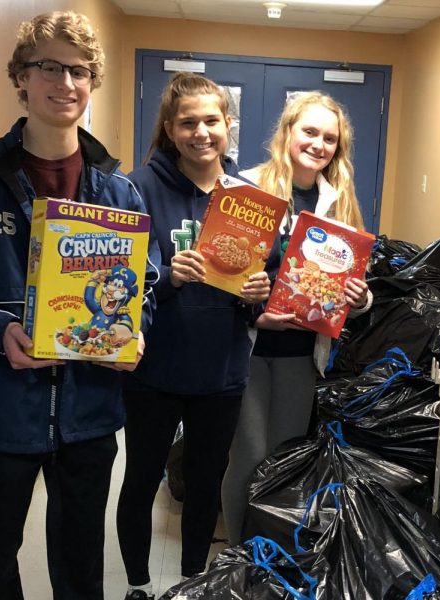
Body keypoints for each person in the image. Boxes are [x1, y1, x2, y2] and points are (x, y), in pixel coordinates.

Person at [0, 11, 159, 600]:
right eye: (49, 66)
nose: (66, 83)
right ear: (21, 77)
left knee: (80, 565)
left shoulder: (117, 193)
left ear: (92, 81)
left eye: (79, 70)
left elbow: (142, 287)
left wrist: (134, 334)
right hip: (2, 412)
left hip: (90, 412)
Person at [116, 72, 277, 600]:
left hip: (221, 369)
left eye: (212, 121)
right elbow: (116, 281)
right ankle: (138, 584)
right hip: (153, 370)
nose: (201, 132)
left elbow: (270, 287)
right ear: (170, 127)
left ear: (229, 126)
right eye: (188, 122)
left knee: (204, 484)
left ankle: (193, 583)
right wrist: (166, 277)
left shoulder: (250, 199)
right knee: (140, 480)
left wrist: (258, 290)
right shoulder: (137, 188)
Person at [221, 91, 373, 545]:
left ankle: (269, 553)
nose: (318, 144)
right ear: (288, 132)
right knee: (246, 457)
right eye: (309, 132)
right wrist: (257, 315)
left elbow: (354, 283)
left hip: (301, 352)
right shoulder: (244, 187)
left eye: (330, 138)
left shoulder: (339, 200)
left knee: (285, 457)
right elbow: (221, 274)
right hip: (248, 347)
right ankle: (237, 556)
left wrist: (359, 298)